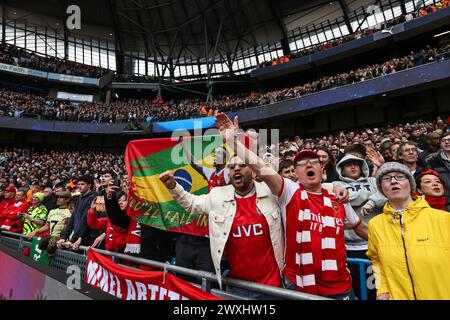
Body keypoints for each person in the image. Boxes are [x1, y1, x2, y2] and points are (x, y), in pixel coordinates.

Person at [215, 113, 367, 300]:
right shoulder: (290, 193)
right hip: (299, 286)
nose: (308, 165)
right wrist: (233, 143)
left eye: (314, 162)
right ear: (295, 173)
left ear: (323, 170)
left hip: (339, 286)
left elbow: (362, 230)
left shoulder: (339, 198)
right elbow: (260, 167)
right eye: (302, 164)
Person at [160, 155, 284, 299]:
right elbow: (192, 204)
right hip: (237, 287)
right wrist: (173, 187)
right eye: (232, 167)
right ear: (228, 174)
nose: (236, 169)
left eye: (242, 165)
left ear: (254, 172)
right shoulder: (217, 196)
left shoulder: (271, 192)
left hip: (272, 287)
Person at [367, 162, 450, 300]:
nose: (393, 181)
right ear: (381, 188)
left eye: (400, 177)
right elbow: (376, 261)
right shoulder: (375, 224)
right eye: (386, 178)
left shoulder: (443, 219)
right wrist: (382, 289)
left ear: (411, 185)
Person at [334, 154, 387, 299]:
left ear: (362, 167)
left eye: (356, 164)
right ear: (342, 170)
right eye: (348, 165)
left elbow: (387, 192)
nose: (353, 167)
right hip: (351, 248)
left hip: (377, 243)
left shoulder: (373, 180)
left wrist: (372, 202)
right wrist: (374, 197)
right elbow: (346, 197)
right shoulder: (336, 185)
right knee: (360, 289)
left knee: (380, 289)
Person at [57, 175, 97, 250]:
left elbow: (85, 220)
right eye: (78, 184)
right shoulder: (80, 198)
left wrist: (73, 239)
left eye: (82, 184)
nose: (79, 186)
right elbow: (73, 218)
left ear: (89, 185)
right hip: (77, 238)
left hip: (87, 238)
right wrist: (64, 237)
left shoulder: (93, 198)